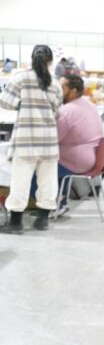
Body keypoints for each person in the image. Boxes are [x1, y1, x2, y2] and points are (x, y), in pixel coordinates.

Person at [0, 45, 63, 234]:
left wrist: (22, 105)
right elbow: (58, 111)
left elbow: (4, 101)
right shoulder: (55, 83)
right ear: (50, 61)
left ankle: (16, 223)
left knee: (20, 181)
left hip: (26, 139)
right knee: (48, 181)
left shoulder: (20, 77)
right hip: (48, 141)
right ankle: (43, 220)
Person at [52, 74, 103, 217]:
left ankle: (51, 204)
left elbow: (55, 138)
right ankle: (60, 201)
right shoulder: (90, 105)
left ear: (73, 91)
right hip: (93, 157)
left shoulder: (67, 111)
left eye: (62, 88)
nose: (58, 91)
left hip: (77, 161)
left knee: (38, 167)